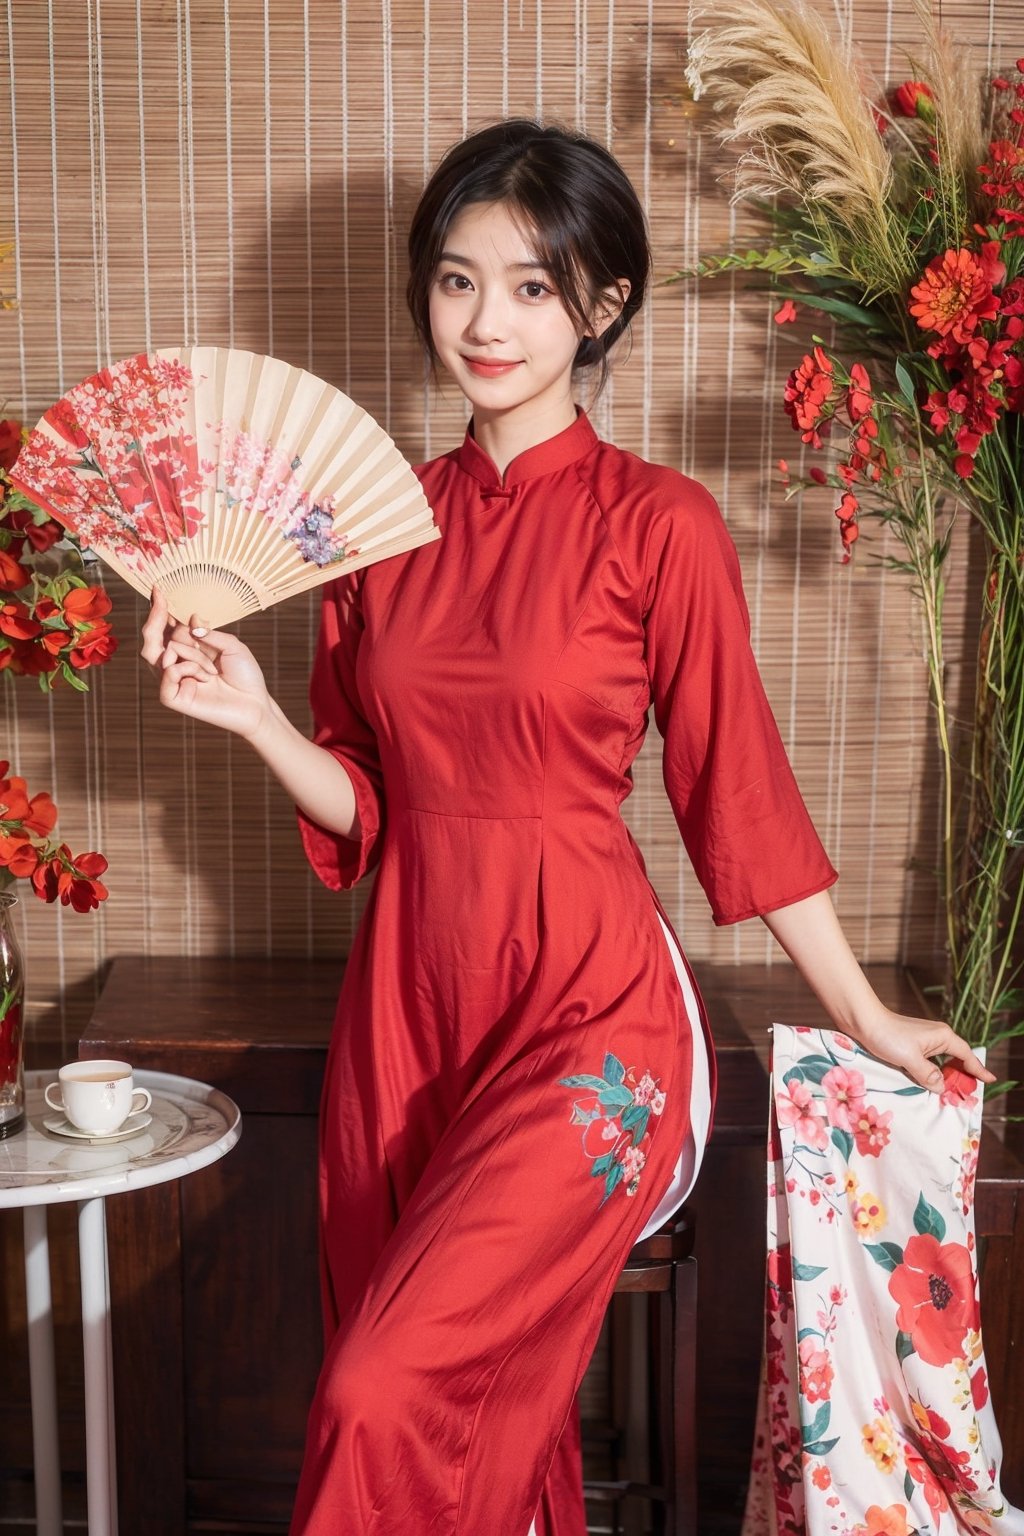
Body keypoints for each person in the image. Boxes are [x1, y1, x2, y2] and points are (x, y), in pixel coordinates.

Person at [141, 118, 994, 1536]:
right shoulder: (374, 525)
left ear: (602, 306)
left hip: (592, 1014)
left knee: (377, 1387)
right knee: (473, 1407)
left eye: (535, 286)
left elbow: (739, 791)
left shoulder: (660, 525)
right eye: (459, 278)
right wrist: (258, 721)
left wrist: (862, 1013)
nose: (488, 319)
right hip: (407, 1019)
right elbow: (372, 795)